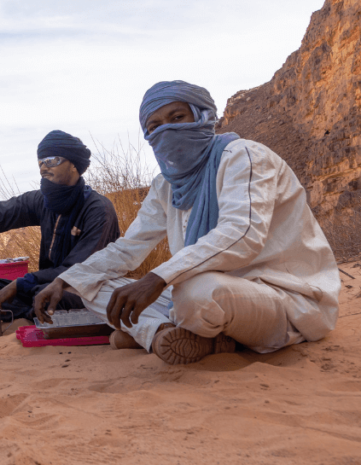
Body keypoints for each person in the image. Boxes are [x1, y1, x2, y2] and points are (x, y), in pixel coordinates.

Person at [34, 80, 340, 365]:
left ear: (202, 116)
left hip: (284, 300)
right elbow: (130, 247)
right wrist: (66, 280)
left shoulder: (244, 156)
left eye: (176, 117)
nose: (164, 131)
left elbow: (241, 233)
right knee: (93, 285)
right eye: (153, 126)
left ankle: (159, 333)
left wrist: (158, 278)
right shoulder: (166, 185)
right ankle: (165, 334)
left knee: (197, 291)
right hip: (205, 295)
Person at [0, 131, 120, 320]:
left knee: (52, 296)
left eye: (52, 160)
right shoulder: (41, 201)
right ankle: (32, 315)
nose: (44, 167)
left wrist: (23, 283)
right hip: (42, 285)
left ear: (74, 164)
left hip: (85, 287)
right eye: (40, 162)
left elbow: (79, 270)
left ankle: (29, 317)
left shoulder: (98, 209)